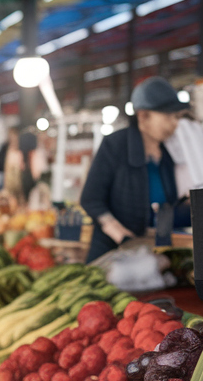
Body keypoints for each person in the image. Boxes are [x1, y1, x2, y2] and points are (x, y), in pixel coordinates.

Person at [80, 76, 189, 262]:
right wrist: (119, 233)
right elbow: (91, 199)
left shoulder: (168, 153)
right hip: (111, 255)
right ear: (143, 116)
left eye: (177, 117)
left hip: (150, 253)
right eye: (168, 116)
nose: (175, 123)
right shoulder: (115, 145)